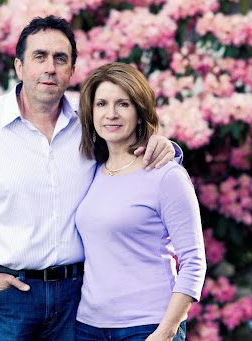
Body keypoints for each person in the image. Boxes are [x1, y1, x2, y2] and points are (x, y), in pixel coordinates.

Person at [0, 16, 180, 340]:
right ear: (19, 67)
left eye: (60, 59)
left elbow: (132, 145)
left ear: (71, 71)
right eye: (40, 56)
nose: (50, 67)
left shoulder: (90, 118)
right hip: (6, 299)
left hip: (76, 299)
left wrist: (166, 147)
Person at [75, 62, 206, 341]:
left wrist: (167, 331)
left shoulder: (166, 175)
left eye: (123, 103)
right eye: (101, 104)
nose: (111, 114)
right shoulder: (90, 171)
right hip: (87, 326)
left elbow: (194, 261)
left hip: (147, 327)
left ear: (139, 110)